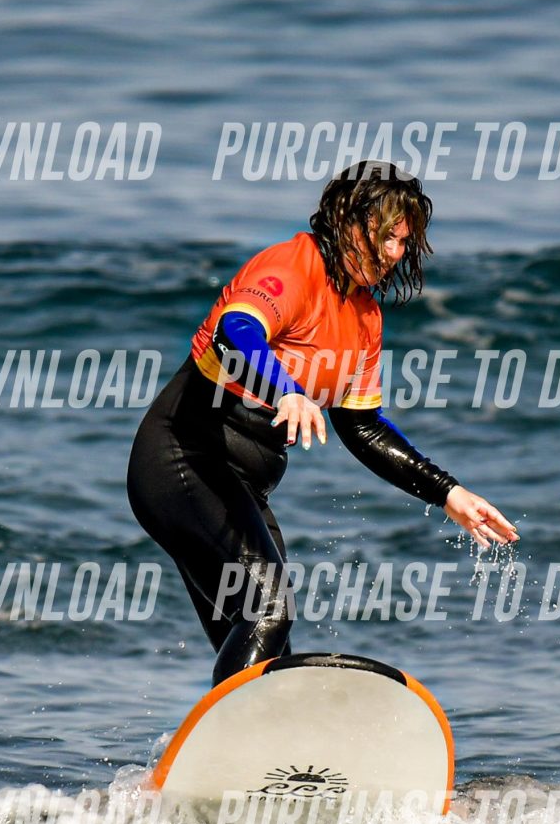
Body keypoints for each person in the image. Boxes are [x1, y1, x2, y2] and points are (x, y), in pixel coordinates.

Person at [128, 162, 516, 685]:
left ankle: (243, 738)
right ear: (347, 221)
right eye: (386, 236)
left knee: (270, 649)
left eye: (404, 241)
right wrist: (285, 389)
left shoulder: (364, 317)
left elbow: (362, 427)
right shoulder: (293, 266)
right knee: (268, 610)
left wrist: (448, 492)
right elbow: (235, 330)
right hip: (183, 459)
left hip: (239, 486)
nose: (395, 252)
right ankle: (228, 733)